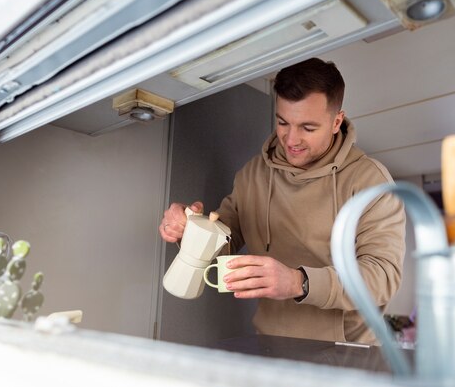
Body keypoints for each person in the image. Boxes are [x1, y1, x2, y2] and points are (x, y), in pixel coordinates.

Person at [159, 58, 406, 344]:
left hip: (348, 351)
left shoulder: (370, 180)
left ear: (337, 121)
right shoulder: (253, 174)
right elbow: (222, 243)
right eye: (283, 122)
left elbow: (383, 277)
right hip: (270, 342)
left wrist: (298, 282)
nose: (292, 139)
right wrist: (190, 229)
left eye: (308, 128)